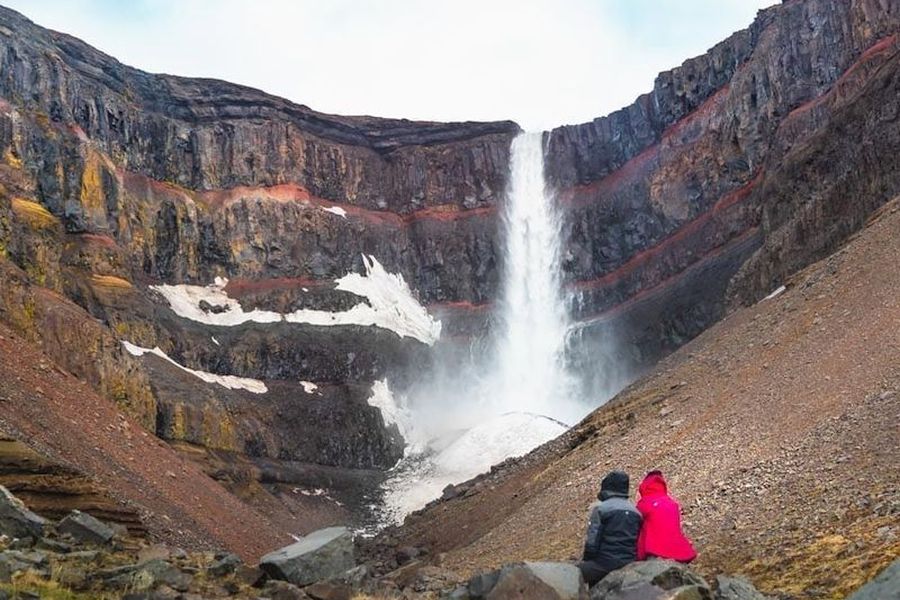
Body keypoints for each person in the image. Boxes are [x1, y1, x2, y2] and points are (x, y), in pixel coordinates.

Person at [577, 470, 642, 586]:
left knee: (574, 572)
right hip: (628, 563)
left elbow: (592, 541)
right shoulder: (636, 512)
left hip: (604, 563)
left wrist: (587, 559)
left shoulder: (601, 509)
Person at [636, 470, 697, 563]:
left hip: (654, 550)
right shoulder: (672, 503)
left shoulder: (644, 503)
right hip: (678, 551)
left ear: (644, 487)